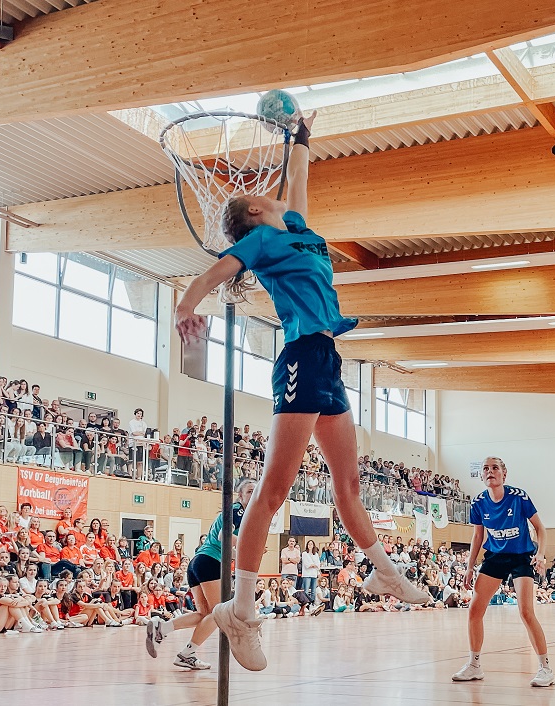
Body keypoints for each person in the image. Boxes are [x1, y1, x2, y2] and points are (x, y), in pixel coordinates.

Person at [175, 111, 428, 672]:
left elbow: (299, 182)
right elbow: (210, 277)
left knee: (350, 485)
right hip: (300, 360)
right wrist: (185, 307)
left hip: (328, 360)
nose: (277, 195)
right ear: (256, 214)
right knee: (272, 491)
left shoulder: (300, 231)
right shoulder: (263, 240)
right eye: (265, 197)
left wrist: (301, 137)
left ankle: (384, 569)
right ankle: (240, 610)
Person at [451, 457, 554, 688]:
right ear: (481, 476)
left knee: (526, 612)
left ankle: (545, 668)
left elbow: (540, 528)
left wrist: (540, 554)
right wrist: (469, 566)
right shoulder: (478, 503)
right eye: (485, 469)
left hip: (520, 556)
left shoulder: (519, 497)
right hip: (495, 557)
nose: (490, 471)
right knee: (474, 611)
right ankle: (474, 665)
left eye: (495, 467)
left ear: (504, 474)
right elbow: (478, 535)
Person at [145, 477, 255, 670]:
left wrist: (240, 555)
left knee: (205, 613)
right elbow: (224, 536)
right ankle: (188, 652)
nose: (253, 495)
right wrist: (248, 548)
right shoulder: (238, 510)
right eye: (249, 491)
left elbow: (225, 544)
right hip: (209, 562)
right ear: (240, 495)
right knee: (219, 613)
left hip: (198, 562)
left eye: (256, 491)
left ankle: (162, 629)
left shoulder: (237, 513)